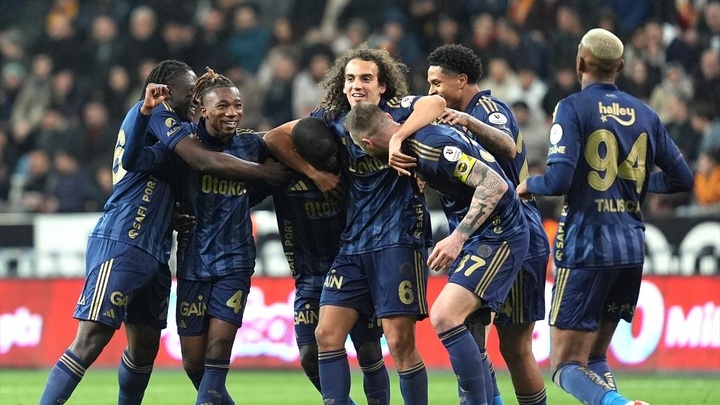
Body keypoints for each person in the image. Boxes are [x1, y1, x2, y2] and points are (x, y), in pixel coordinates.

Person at [38, 60, 286, 405]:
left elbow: (157, 164)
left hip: (156, 251)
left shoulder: (175, 132)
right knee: (92, 338)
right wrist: (263, 172)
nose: (195, 95)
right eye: (191, 89)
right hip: (125, 240)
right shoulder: (157, 112)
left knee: (143, 350)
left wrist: (174, 211)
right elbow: (193, 159)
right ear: (167, 91)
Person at [516, 28, 693, 405]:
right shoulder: (645, 112)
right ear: (621, 66)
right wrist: (633, 184)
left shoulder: (572, 107)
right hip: (630, 248)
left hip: (586, 246)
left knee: (565, 364)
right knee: (594, 358)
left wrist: (530, 183)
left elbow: (559, 180)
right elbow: (683, 178)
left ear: (580, 62)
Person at [264, 46, 446, 405]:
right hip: (352, 245)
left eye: (365, 78)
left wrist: (398, 137)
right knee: (326, 335)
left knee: (399, 343)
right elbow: (274, 137)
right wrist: (314, 174)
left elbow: (436, 103)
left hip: (397, 240)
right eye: (350, 79)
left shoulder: (398, 111)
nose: (356, 85)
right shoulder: (332, 118)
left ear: (382, 86)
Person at [345, 101, 529, 405]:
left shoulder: (432, 149)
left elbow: (495, 184)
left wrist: (458, 237)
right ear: (389, 118)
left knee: (445, 315)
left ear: (367, 144)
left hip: (501, 234)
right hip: (483, 235)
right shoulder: (414, 134)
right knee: (468, 331)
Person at [419, 43, 550, 405]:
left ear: (461, 80)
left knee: (514, 346)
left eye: (436, 83)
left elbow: (508, 147)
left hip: (514, 230)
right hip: (480, 235)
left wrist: (469, 122)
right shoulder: (445, 120)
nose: (431, 91)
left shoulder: (487, 109)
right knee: (469, 333)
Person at [252, 116, 390, 404]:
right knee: (308, 356)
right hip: (309, 274)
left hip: (352, 266)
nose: (330, 163)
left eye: (331, 157)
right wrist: (314, 174)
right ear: (300, 154)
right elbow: (272, 137)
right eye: (321, 160)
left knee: (369, 352)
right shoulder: (284, 168)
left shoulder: (346, 162)